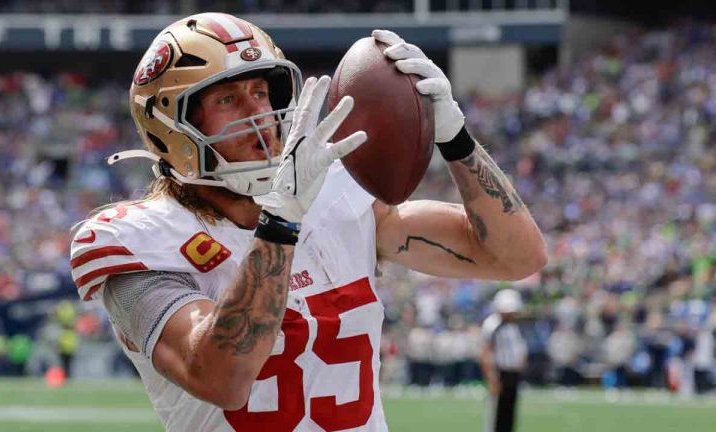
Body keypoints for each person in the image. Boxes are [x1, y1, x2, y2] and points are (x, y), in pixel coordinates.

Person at [69, 12, 546, 431]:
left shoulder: (337, 196)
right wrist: (281, 219)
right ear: (171, 127)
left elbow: (516, 257)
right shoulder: (136, 239)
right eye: (228, 100)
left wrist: (456, 139)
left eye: (261, 92)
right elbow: (220, 377)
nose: (260, 114)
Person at [480, 289, 528, 432]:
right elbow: (486, 352)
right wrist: (491, 377)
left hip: (513, 373)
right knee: (496, 413)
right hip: (500, 373)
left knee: (510, 412)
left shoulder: (514, 324)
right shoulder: (492, 324)